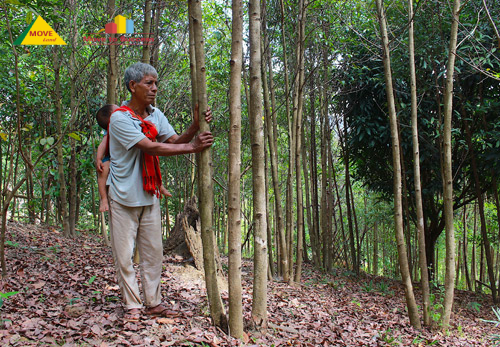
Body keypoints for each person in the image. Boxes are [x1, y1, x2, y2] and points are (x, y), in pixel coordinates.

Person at [107, 62, 213, 322]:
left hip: (149, 194)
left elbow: (172, 141)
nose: (155, 88)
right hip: (122, 197)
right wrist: (193, 148)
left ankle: (153, 303)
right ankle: (133, 306)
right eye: (148, 83)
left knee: (154, 253)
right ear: (133, 86)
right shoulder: (119, 118)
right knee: (124, 256)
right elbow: (149, 147)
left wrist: (194, 126)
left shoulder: (156, 115)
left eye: (156, 83)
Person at [95, 104, 170, 213]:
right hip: (111, 157)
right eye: (118, 110)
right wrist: (99, 159)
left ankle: (159, 185)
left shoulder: (130, 120)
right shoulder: (112, 127)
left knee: (151, 160)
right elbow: (102, 144)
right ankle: (103, 199)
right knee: (103, 170)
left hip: (128, 156)